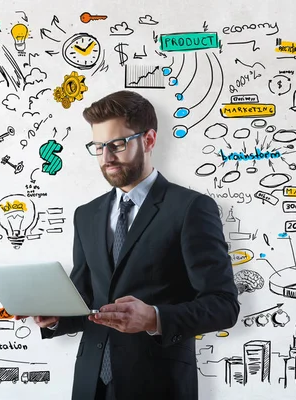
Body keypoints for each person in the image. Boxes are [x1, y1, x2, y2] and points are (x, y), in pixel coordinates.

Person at [25, 90, 239, 399]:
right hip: (90, 383)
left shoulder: (191, 208)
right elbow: (87, 299)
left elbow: (223, 305)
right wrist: (57, 316)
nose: (107, 157)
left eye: (117, 144)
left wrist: (154, 317)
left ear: (149, 140)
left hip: (159, 384)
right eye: (98, 146)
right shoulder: (86, 215)